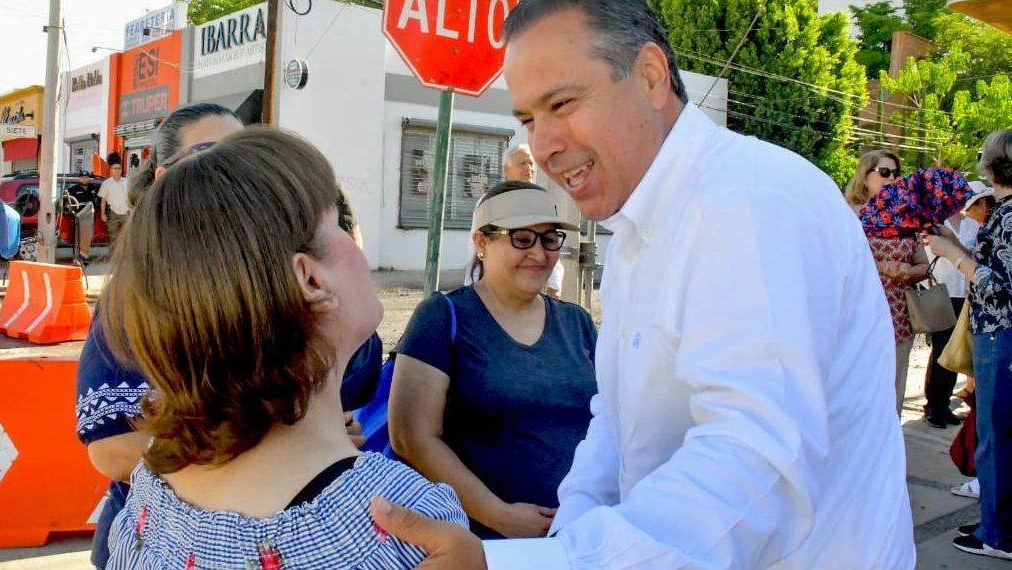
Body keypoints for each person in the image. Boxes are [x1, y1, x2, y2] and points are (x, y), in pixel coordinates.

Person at [370, 1, 915, 567]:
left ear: (651, 76)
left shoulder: (749, 204)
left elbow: (754, 469)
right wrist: (565, 538)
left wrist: (518, 563)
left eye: (562, 103)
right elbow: (618, 420)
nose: (544, 145)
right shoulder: (636, 233)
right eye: (530, 119)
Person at [100, 127, 467, 568]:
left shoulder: (148, 498)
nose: (356, 243)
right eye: (339, 224)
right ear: (310, 280)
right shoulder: (408, 526)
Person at [75, 102, 378, 569]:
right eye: (211, 153)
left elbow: (351, 384)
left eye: (240, 152)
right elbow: (110, 449)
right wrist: (261, 450)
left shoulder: (281, 287)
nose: (232, 171)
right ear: (164, 179)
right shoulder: (136, 298)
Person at [390, 180, 597, 539]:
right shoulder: (443, 317)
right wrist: (499, 515)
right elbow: (411, 436)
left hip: (580, 536)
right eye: (522, 238)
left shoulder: (576, 322)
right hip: (484, 543)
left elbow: (610, 421)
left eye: (549, 239)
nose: (539, 252)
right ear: (481, 243)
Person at [925, 129, 1012, 560]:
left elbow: (999, 285)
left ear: (994, 164)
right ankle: (994, 523)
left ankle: (998, 535)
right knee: (996, 434)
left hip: (1002, 334)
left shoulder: (1010, 215)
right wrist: (952, 242)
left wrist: (952, 253)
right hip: (996, 335)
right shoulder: (1004, 212)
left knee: (996, 437)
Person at [846, 150, 929, 415]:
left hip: (899, 316)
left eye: (896, 173)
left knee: (894, 390)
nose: (891, 178)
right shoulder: (849, 215)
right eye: (884, 172)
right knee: (858, 390)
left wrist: (907, 271)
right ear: (865, 175)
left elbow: (924, 267)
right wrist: (883, 267)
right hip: (859, 315)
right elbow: (840, 262)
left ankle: (889, 450)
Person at [922, 181, 992, 428]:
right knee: (941, 349)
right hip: (942, 293)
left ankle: (943, 405)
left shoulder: (972, 223)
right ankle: (934, 405)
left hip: (966, 294)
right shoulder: (935, 223)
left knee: (956, 349)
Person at [465, 144, 565, 299]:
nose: (529, 168)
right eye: (522, 163)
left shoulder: (542, 201)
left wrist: (554, 285)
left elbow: (551, 242)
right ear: (506, 169)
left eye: (531, 163)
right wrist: (475, 285)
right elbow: (476, 247)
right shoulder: (491, 202)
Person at [98, 162, 130, 243]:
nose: (117, 170)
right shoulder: (106, 183)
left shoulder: (128, 182)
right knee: (113, 237)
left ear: (121, 170)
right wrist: (103, 213)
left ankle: (126, 254)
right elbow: (103, 200)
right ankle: (114, 255)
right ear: (111, 170)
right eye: (115, 169)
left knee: (128, 236)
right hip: (113, 214)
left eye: (119, 168)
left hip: (126, 213)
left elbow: (132, 196)